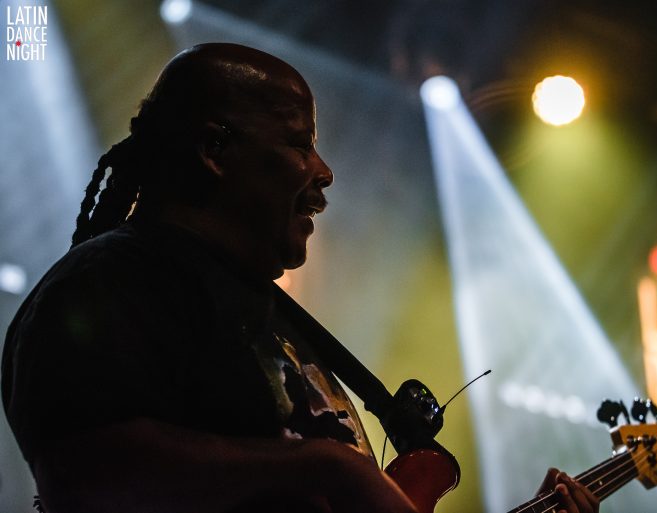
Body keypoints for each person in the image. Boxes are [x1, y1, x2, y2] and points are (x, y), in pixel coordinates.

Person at [1, 43, 598, 513]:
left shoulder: (268, 313)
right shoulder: (113, 279)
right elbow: (82, 480)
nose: (325, 171)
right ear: (215, 148)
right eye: (299, 143)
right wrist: (321, 466)